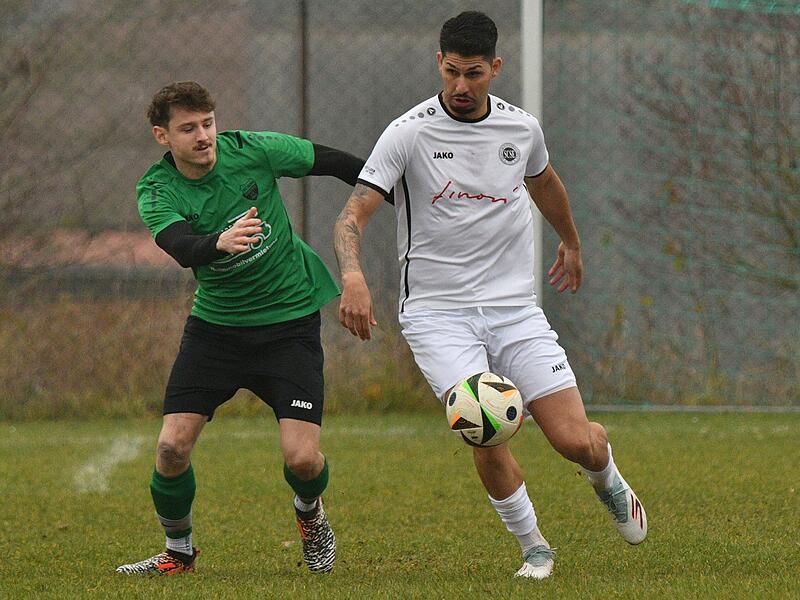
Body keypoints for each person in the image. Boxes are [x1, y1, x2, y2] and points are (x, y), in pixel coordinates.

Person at [333, 11, 647, 580]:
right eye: (451, 71)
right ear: (438, 63)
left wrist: (571, 244)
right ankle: (535, 548)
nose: (459, 86)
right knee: (484, 422)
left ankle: (608, 478)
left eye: (473, 73)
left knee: (576, 442)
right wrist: (352, 274)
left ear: (495, 69)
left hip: (514, 311)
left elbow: (544, 182)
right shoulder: (408, 132)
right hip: (436, 316)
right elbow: (354, 212)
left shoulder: (521, 129)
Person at [116, 81, 366, 576]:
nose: (203, 135)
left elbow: (337, 162)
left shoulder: (251, 149)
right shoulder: (156, 189)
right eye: (188, 128)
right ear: (162, 136)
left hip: (288, 325)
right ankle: (179, 551)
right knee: (170, 447)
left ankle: (311, 517)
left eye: (207, 123)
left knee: (302, 461)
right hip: (217, 330)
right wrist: (220, 241)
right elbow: (182, 246)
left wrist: (405, 195)